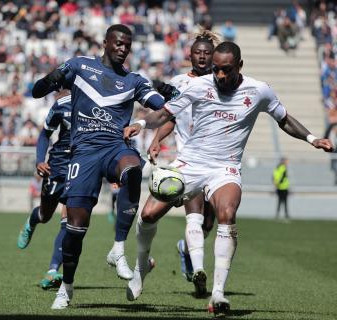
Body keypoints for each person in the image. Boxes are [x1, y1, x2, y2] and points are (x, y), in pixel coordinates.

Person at [123, 42, 334, 317]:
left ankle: (218, 293)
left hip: (225, 168)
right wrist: (140, 125)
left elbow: (283, 118)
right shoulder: (199, 86)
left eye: (226, 70)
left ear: (239, 66)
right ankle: (140, 269)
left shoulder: (259, 90)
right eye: (216, 70)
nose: (220, 76)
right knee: (148, 214)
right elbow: (166, 114)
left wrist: (312, 139)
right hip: (191, 164)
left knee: (227, 213)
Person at [32, 24, 167, 309]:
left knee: (133, 169)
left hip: (114, 148)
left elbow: (160, 106)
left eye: (127, 45)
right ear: (105, 43)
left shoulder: (134, 80)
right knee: (75, 228)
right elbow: (37, 91)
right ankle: (66, 288)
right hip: (83, 153)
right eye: (118, 43)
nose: (123, 48)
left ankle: (118, 248)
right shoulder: (80, 66)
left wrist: (169, 93)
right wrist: (52, 77)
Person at [145, 30, 219, 297]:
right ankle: (199, 274)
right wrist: (156, 140)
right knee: (171, 216)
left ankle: (186, 252)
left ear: (214, 56)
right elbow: (171, 118)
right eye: (197, 52)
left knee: (208, 224)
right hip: (188, 162)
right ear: (190, 56)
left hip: (216, 163)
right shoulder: (179, 82)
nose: (202, 56)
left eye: (207, 53)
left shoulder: (220, 82)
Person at [17, 90, 72, 290]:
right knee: (46, 215)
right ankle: (33, 219)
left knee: (70, 219)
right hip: (57, 166)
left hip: (81, 167)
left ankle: (52, 270)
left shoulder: (99, 103)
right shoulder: (62, 104)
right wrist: (40, 160)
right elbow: (44, 134)